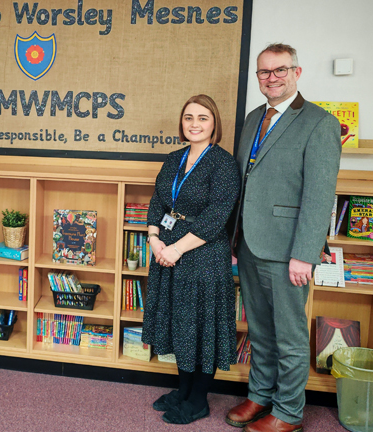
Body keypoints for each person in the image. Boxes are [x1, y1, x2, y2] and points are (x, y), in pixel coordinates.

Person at [226, 44, 341, 432]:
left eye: (279, 70)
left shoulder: (319, 123)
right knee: (259, 330)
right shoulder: (254, 117)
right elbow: (246, 179)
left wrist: (305, 254)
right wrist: (233, 239)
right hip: (250, 244)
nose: (271, 77)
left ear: (297, 72)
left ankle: (289, 413)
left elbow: (318, 195)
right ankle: (260, 396)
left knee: (289, 337)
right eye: (264, 72)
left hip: (288, 250)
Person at [143, 94, 241, 424]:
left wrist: (175, 249)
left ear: (214, 124)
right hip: (167, 251)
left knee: (200, 328)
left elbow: (216, 218)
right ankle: (183, 390)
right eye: (188, 118)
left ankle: (198, 399)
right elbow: (158, 200)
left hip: (203, 256)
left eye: (202, 118)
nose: (194, 124)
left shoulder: (224, 164)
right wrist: (155, 239)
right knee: (180, 324)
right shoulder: (173, 158)